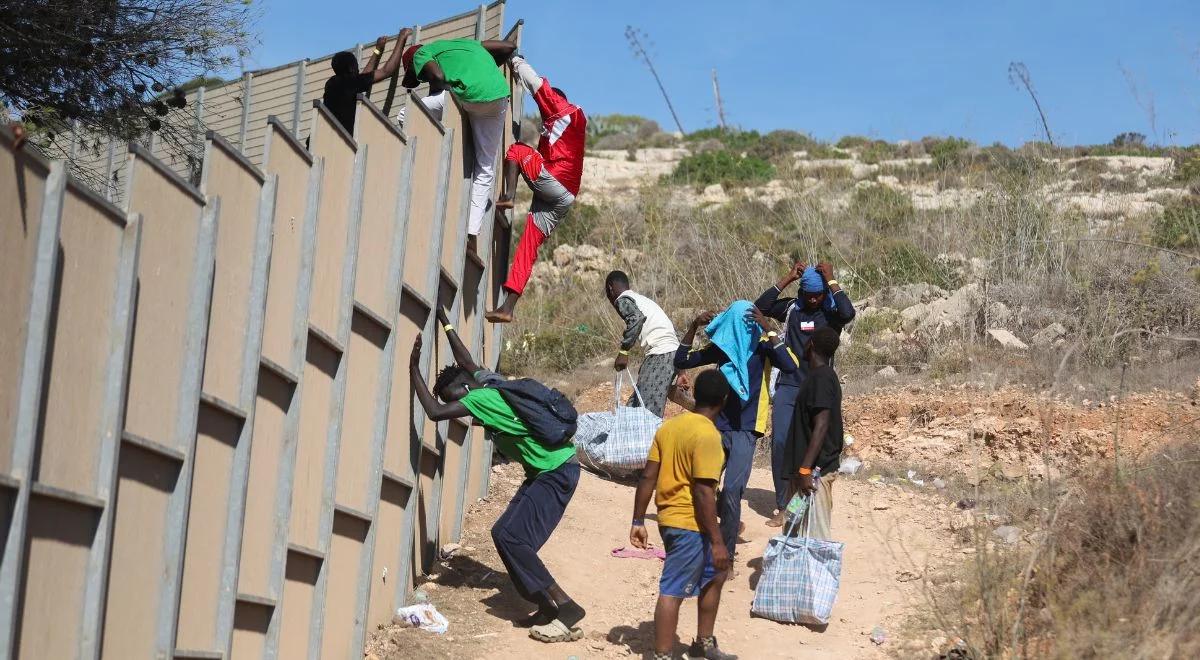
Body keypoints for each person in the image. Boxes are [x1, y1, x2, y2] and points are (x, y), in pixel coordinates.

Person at [409, 308, 586, 643]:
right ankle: (545, 606)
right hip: (546, 471)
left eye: (456, 398)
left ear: (465, 388)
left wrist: (413, 369)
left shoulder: (481, 397)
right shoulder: (489, 382)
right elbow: (466, 359)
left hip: (556, 472)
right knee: (504, 532)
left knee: (514, 538)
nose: (461, 407)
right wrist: (446, 323)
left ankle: (566, 607)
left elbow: (434, 412)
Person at [673, 302, 797, 557]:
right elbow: (681, 359)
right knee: (704, 483)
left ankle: (726, 553)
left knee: (732, 490)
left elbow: (790, 366)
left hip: (746, 428)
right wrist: (693, 325)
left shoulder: (763, 347)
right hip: (718, 426)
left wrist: (770, 329)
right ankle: (715, 532)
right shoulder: (723, 349)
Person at [629, 369, 737, 660]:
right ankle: (663, 655)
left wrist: (638, 520)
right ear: (723, 401)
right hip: (689, 524)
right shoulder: (709, 436)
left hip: (671, 521)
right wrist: (717, 541)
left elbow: (648, 477)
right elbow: (703, 492)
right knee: (673, 590)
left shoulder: (669, 428)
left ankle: (704, 643)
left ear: (695, 396)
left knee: (716, 574)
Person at [485, 55, 587, 324]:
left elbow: (538, 85)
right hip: (564, 198)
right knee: (528, 246)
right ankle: (507, 308)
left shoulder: (565, 111)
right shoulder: (560, 132)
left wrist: (516, 62)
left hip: (556, 184)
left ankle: (507, 197)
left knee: (517, 150)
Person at [753, 261, 855, 526]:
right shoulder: (791, 308)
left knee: (811, 450)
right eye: (808, 293)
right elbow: (761, 306)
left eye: (817, 294)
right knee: (782, 443)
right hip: (789, 384)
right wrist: (787, 278)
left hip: (818, 388)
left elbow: (848, 311)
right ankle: (783, 505)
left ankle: (796, 508)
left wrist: (831, 279)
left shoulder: (830, 311)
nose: (812, 298)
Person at [402, 37, 516, 257]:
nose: (423, 79)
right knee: (485, 168)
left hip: (466, 95)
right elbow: (509, 46)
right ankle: (472, 237)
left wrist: (438, 94)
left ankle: (424, 150)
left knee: (405, 114)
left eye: (419, 76)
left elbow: (437, 76)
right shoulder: (470, 44)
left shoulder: (421, 53)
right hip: (498, 95)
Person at [784, 327, 844, 541]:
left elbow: (822, 424)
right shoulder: (817, 376)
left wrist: (804, 469)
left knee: (815, 540)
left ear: (810, 344)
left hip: (814, 474)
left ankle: (813, 575)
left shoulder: (822, 378)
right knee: (793, 532)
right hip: (805, 473)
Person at [601, 271, 680, 418]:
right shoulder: (641, 299)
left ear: (610, 289)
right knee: (636, 405)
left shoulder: (622, 300)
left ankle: (650, 440)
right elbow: (672, 333)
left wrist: (623, 352)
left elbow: (636, 319)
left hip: (661, 354)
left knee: (647, 413)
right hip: (669, 353)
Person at [322, 29, 410, 135]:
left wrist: (378, 50)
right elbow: (387, 71)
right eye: (356, 66)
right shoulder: (349, 82)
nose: (358, 69)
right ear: (351, 68)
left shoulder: (333, 83)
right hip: (340, 140)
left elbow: (363, 77)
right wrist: (402, 38)